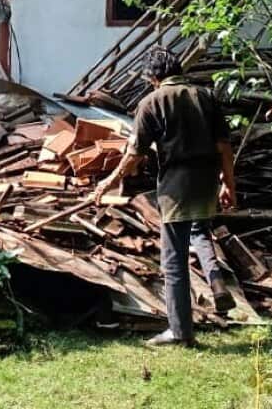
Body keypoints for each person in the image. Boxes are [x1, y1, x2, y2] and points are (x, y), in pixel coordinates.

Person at [94, 47, 237, 347]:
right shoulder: (206, 97)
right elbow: (224, 147)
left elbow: (134, 154)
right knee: (200, 230)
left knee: (173, 261)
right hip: (207, 181)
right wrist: (229, 185)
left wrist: (108, 182)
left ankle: (180, 331)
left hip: (176, 186)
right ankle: (216, 279)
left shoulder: (151, 102)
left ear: (152, 77)